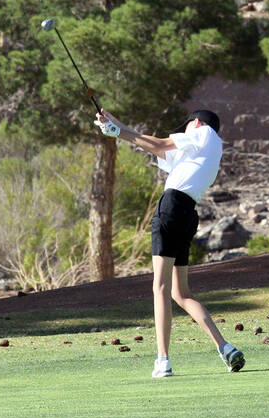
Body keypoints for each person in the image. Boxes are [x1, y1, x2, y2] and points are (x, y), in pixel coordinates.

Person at [94, 107, 245, 378]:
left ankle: (163, 361)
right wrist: (114, 126)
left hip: (172, 207)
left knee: (160, 286)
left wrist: (118, 132)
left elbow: (161, 143)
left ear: (196, 123)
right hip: (188, 215)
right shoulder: (201, 151)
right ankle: (225, 347)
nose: (182, 131)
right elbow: (152, 146)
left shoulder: (203, 133)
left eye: (185, 126)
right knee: (181, 294)